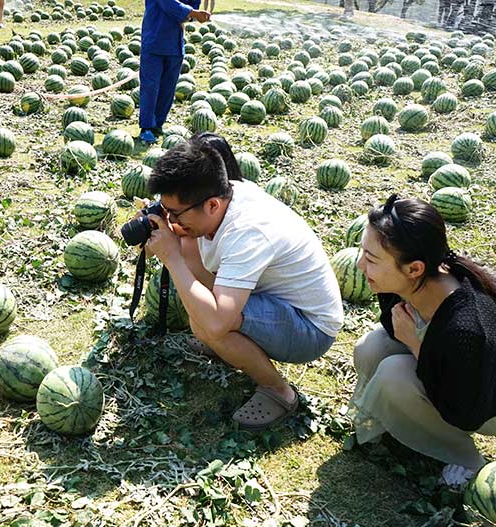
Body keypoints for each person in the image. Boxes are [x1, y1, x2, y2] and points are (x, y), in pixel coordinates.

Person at [350, 195, 496, 486]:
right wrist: (414, 343)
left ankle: (465, 460)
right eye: (363, 253)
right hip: (464, 373)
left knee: (393, 375)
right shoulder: (411, 279)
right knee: (372, 348)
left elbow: (463, 410)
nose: (360, 265)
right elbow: (390, 325)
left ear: (414, 269)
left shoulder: (465, 327)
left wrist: (414, 345)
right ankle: (392, 420)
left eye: (370, 259)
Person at [144, 139, 344, 429]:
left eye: (176, 213)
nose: (171, 218)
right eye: (166, 210)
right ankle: (231, 347)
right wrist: (172, 237)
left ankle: (279, 393)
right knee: (189, 250)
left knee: (208, 325)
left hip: (309, 328)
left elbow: (215, 321)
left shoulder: (249, 231)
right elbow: (188, 242)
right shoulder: (227, 195)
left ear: (212, 204)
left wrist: (172, 258)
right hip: (273, 301)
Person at [138, 0, 211, 145]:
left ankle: (157, 125)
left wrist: (195, 13)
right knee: (150, 87)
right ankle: (146, 127)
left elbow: (190, 6)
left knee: (168, 88)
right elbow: (169, 4)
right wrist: (193, 13)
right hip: (154, 41)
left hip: (175, 45)